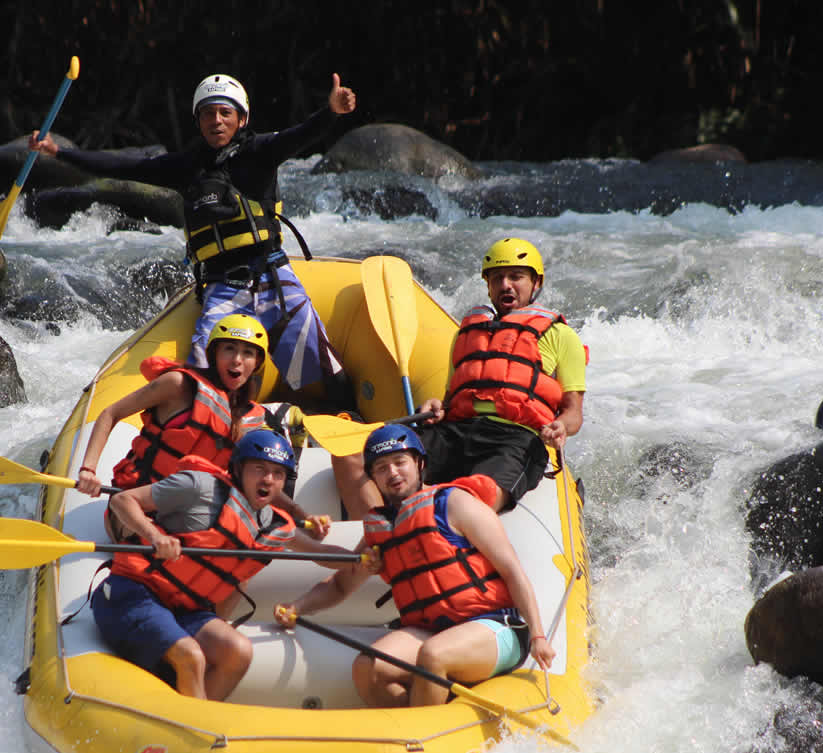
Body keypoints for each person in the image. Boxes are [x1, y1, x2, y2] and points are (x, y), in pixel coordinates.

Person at [29, 72, 357, 398]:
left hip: (272, 274)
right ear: (198, 121)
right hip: (222, 286)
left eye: (225, 112)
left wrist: (331, 112)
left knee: (320, 360)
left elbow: (301, 135)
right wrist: (60, 153)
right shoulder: (186, 165)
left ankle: (348, 414)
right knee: (204, 376)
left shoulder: (262, 151)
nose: (216, 120)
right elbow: (122, 167)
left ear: (241, 119)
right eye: (208, 113)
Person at [274, 424, 556, 708]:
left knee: (434, 656)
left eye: (400, 462)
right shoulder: (381, 528)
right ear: (373, 478)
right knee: (368, 668)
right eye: (382, 468)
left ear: (419, 464)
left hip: (495, 626)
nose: (393, 473)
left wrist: (538, 635)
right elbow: (339, 585)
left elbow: (512, 570)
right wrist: (298, 607)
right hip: (430, 630)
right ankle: (408, 728)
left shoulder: (455, 503)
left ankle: (422, 735)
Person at [333, 237, 587, 517]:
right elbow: (450, 400)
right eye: (497, 278)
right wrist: (436, 406)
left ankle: (432, 519)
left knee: (469, 501)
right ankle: (382, 537)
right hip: (454, 434)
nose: (506, 285)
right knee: (353, 455)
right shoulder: (467, 333)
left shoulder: (561, 336)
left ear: (536, 283)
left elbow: (574, 413)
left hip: (515, 440)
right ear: (488, 286)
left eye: (516, 277)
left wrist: (561, 426)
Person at [92, 429, 342, 700]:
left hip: (186, 611)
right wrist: (156, 536)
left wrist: (368, 559)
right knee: (192, 656)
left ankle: (195, 719)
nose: (268, 479)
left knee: (239, 651)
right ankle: (193, 734)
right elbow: (122, 500)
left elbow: (321, 553)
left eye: (278, 474)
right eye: (259, 468)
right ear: (239, 468)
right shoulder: (199, 486)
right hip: (133, 593)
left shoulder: (275, 525)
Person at [74, 312, 271, 497]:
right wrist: (88, 470)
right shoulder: (178, 384)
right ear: (215, 353)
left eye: (247, 353)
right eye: (229, 349)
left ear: (256, 363)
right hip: (135, 497)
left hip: (189, 510)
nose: (237, 360)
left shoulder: (252, 418)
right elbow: (111, 413)